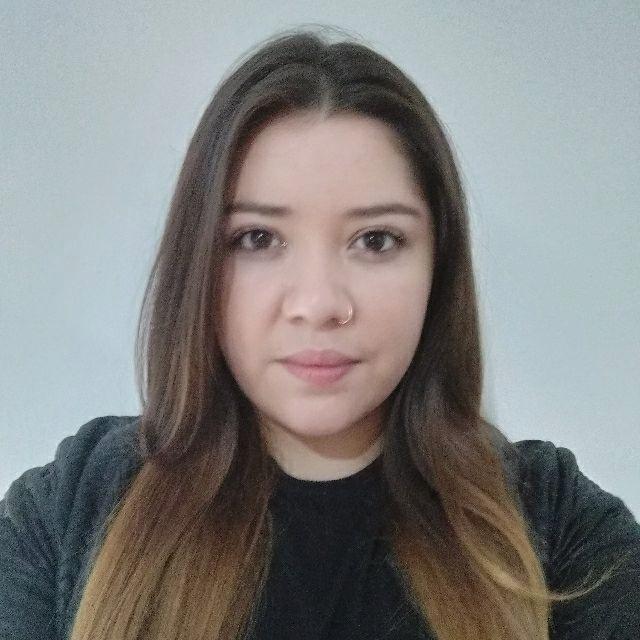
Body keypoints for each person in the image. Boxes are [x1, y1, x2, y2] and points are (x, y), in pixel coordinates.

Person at [1, 27, 639, 640]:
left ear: (438, 269)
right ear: (200, 263)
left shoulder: (557, 529)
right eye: (258, 238)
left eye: (376, 240)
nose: (318, 304)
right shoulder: (70, 510)